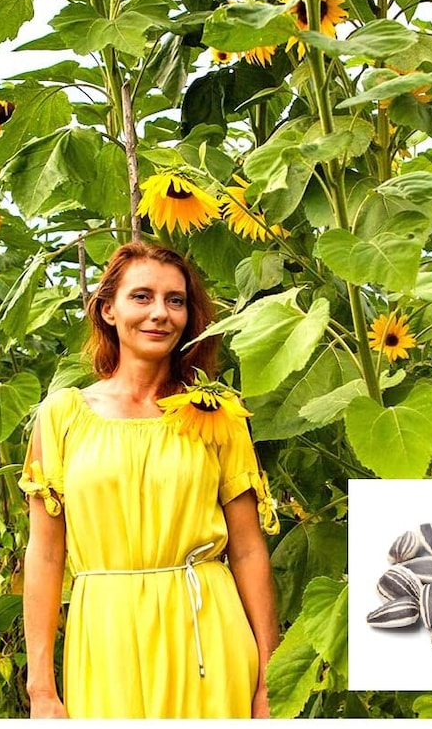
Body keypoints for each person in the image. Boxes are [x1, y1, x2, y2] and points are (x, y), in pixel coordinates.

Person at [20, 241, 281, 719]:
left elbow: (247, 548)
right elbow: (45, 553)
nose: (160, 313)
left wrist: (270, 677)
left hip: (207, 633)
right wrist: (41, 689)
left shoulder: (216, 413)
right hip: (106, 637)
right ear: (108, 310)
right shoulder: (62, 416)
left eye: (175, 300)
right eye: (141, 296)